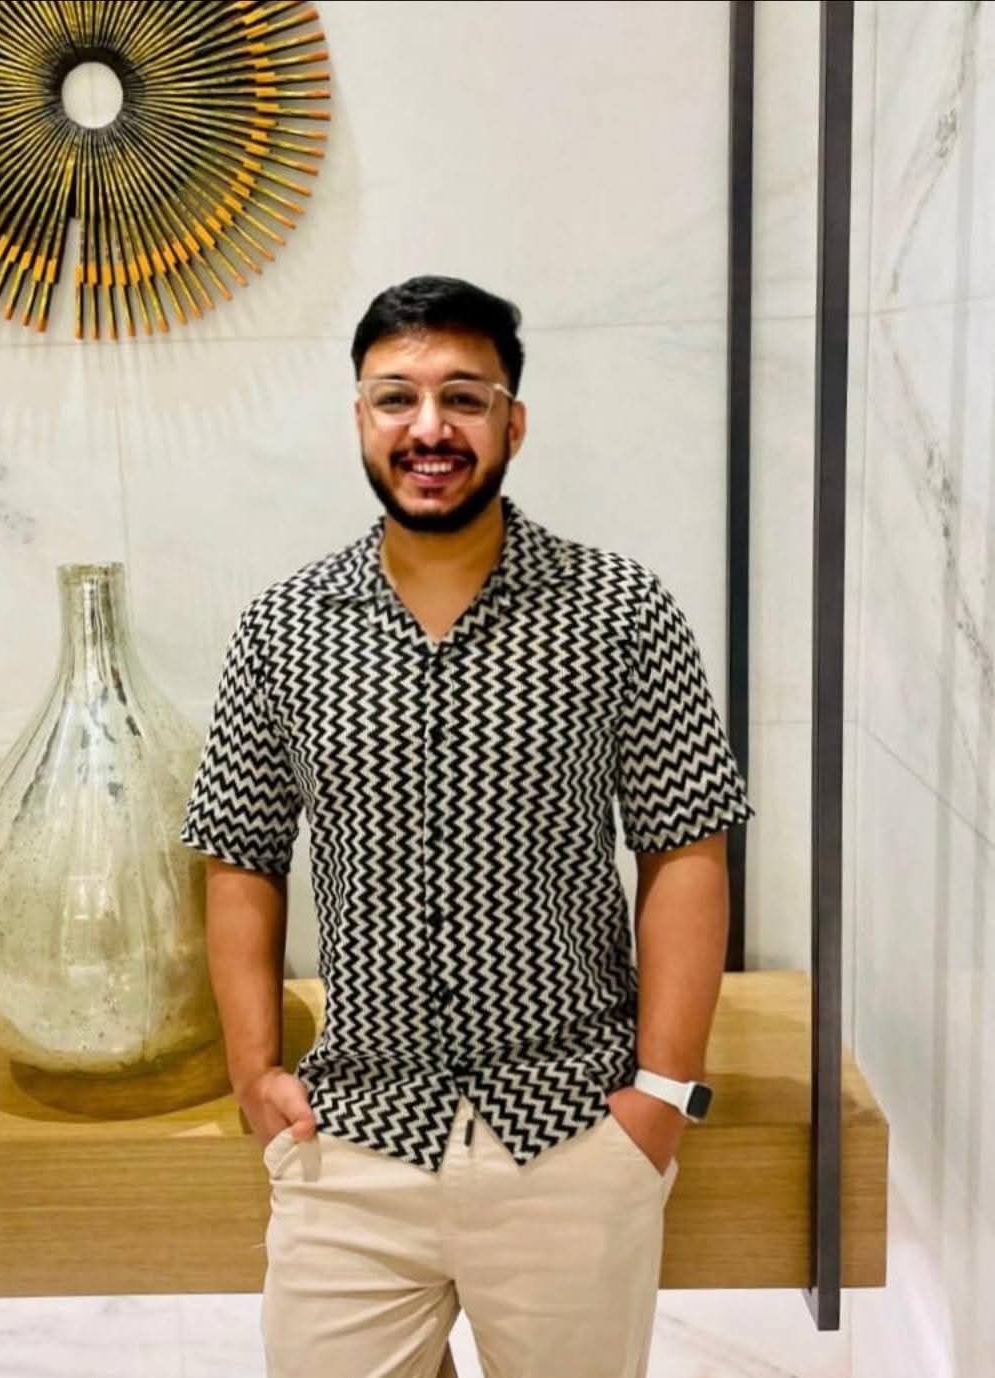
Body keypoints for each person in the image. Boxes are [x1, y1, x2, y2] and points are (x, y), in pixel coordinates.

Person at [180, 274, 756, 1378]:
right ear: (360, 418)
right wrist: (255, 1073)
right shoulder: (282, 629)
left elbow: (686, 845)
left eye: (464, 397)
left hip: (572, 1129)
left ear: (513, 423)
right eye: (396, 397)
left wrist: (660, 1097)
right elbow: (241, 854)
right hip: (353, 1135)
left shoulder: (620, 611)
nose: (430, 428)